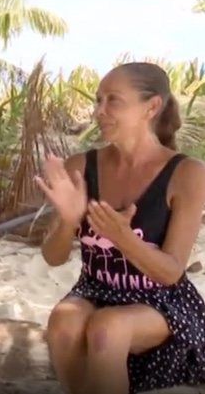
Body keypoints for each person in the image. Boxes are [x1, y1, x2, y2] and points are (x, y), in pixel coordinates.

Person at [36, 61, 205, 394]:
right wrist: (68, 221)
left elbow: (170, 273)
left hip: (162, 301)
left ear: (151, 107)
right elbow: (53, 259)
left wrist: (123, 239)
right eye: (98, 100)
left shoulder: (187, 174)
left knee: (107, 327)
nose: (99, 111)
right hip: (95, 290)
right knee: (62, 322)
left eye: (113, 100)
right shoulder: (81, 166)